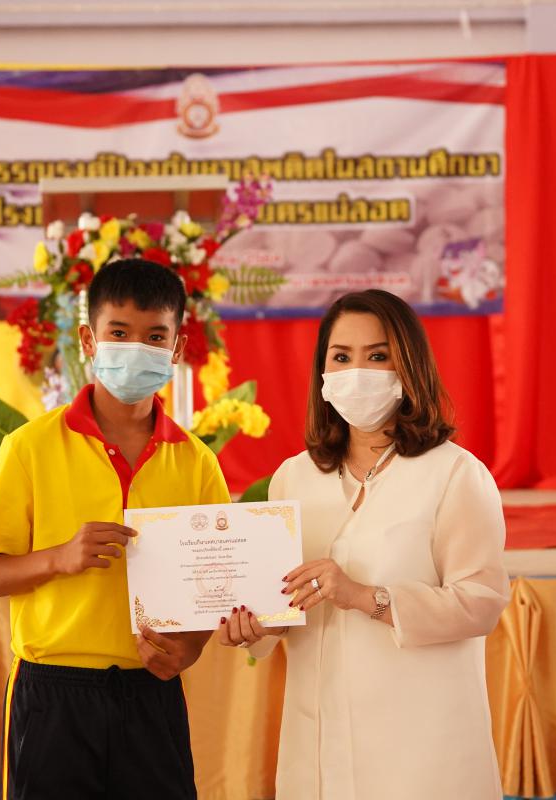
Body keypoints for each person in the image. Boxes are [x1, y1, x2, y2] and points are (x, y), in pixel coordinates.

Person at [218, 289, 510, 799]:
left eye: (377, 356)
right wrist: (257, 626)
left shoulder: (455, 474)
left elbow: (480, 602)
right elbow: (283, 602)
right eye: (341, 357)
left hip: (423, 745)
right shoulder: (294, 477)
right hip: (319, 742)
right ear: (323, 373)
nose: (357, 372)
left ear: (409, 367)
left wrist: (363, 596)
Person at [0, 258, 230, 800]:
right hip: (53, 693)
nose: (137, 348)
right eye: (119, 333)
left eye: (155, 336)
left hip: (151, 692)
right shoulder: (30, 448)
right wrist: (58, 558)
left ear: (177, 349)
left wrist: (192, 649)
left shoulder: (196, 461)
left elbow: (217, 583)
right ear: (88, 340)